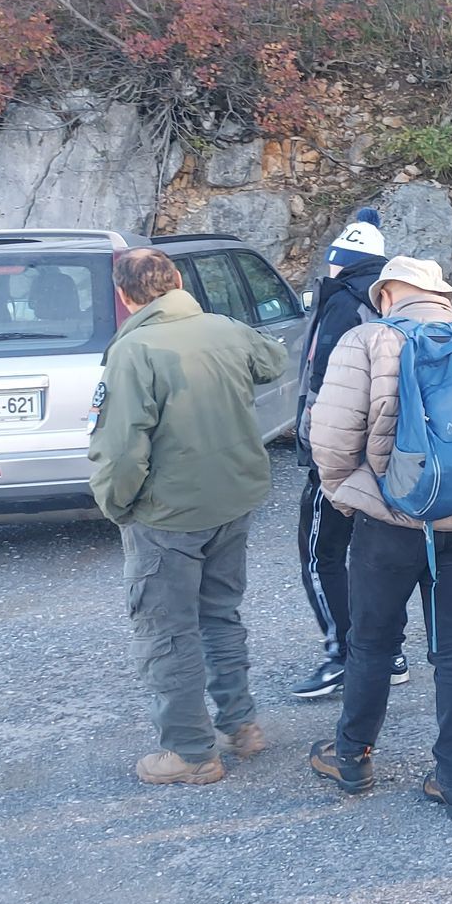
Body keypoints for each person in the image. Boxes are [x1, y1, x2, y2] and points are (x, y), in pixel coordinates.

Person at [305, 256, 452, 819]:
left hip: (385, 525)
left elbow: (329, 439)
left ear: (387, 295)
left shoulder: (365, 342)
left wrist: (353, 497)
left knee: (371, 643)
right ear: (442, 297)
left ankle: (353, 758)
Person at [87, 247, 290, 785]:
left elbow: (122, 449)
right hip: (232, 499)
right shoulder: (224, 329)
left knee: (167, 631)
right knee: (220, 614)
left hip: (169, 512)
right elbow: (274, 361)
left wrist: (115, 504)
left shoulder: (134, 350)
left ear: (124, 296)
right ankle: (241, 725)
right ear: (178, 281)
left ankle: (191, 752)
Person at [291, 209, 415, 700]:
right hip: (388, 453)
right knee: (375, 557)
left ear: (339, 260)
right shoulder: (391, 302)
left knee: (320, 555)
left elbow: (325, 387)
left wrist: (313, 450)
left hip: (339, 456)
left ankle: (343, 653)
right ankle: (390, 652)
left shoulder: (342, 303)